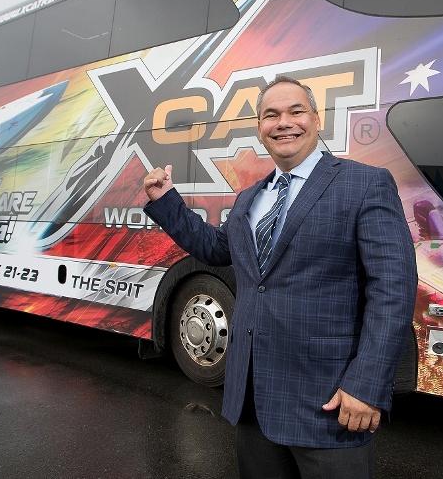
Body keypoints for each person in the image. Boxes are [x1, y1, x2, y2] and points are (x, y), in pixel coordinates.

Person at [143, 76, 417, 479]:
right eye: (271, 114)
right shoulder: (251, 197)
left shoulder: (364, 183)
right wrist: (166, 202)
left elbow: (392, 289)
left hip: (330, 403)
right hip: (255, 400)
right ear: (260, 128)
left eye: (295, 111)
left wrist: (367, 384)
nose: (283, 122)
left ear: (316, 119)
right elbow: (219, 250)